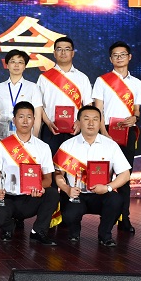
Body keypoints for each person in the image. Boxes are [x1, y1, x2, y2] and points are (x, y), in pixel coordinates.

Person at [53, 105, 131, 247]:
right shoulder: (67, 145)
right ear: (78, 122)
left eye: (95, 119)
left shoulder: (111, 145)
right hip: (76, 195)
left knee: (116, 200)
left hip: (101, 194)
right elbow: (58, 174)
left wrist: (108, 188)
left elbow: (125, 174)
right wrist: (66, 188)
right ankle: (74, 233)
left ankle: (105, 235)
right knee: (69, 213)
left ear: (100, 123)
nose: (91, 123)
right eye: (86, 119)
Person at [0, 101, 59, 245]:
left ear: (34, 120)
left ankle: (38, 231)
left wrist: (39, 188)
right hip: (8, 197)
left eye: (29, 117)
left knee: (52, 193)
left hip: (31, 198)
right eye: (21, 117)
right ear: (14, 120)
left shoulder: (43, 147)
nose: (25, 121)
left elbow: (48, 179)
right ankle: (9, 227)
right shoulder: (2, 146)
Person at [92, 41, 141, 234]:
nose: (119, 58)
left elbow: (137, 110)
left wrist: (135, 118)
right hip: (105, 131)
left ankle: (124, 218)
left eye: (123, 54)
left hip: (128, 132)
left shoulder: (137, 83)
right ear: (110, 58)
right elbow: (98, 109)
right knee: (102, 174)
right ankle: (106, 218)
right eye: (115, 55)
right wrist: (103, 133)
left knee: (124, 176)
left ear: (129, 57)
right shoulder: (102, 80)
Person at [38, 36, 92, 156]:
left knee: (74, 163)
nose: (63, 52)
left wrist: (80, 121)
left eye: (67, 49)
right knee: (50, 163)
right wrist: (48, 123)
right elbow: (38, 105)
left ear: (72, 53)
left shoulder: (82, 78)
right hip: (51, 129)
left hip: (75, 129)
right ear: (54, 53)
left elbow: (88, 105)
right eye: (59, 49)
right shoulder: (44, 78)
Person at [0, 49, 43, 141]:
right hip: (2, 135)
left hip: (26, 136)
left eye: (20, 62)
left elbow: (37, 115)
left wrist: (34, 138)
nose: (16, 65)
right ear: (7, 65)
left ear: (25, 66)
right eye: (13, 62)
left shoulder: (33, 87)